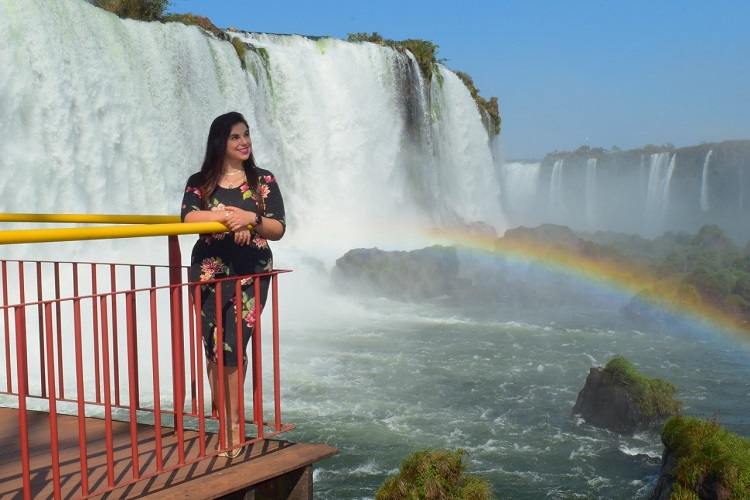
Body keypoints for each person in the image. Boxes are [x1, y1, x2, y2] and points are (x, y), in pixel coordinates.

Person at [180, 111, 286, 458]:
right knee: (213, 346)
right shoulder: (200, 181)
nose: (244, 143)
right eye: (235, 137)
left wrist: (251, 218)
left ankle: (234, 425)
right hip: (209, 272)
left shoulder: (262, 181)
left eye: (246, 135)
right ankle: (224, 418)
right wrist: (229, 217)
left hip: (250, 272)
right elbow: (189, 217)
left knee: (233, 346)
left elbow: (278, 228)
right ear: (219, 143)